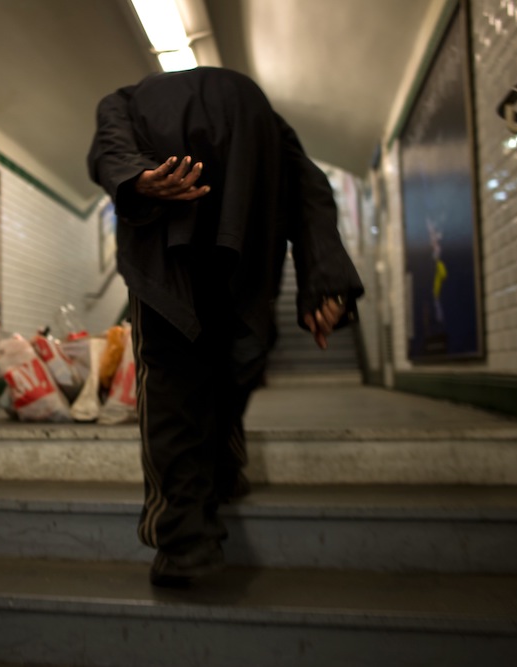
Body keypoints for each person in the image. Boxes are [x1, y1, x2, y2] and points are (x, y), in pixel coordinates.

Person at [87, 67, 364, 587]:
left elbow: (111, 151)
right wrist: (324, 280)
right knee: (234, 362)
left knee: (169, 385)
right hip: (246, 235)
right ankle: (224, 471)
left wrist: (138, 178)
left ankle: (185, 545)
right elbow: (308, 186)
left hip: (166, 241)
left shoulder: (122, 100)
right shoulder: (259, 110)